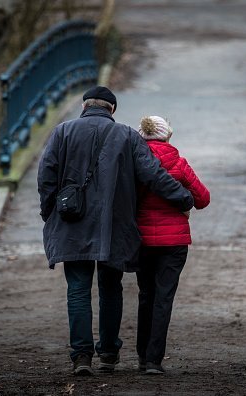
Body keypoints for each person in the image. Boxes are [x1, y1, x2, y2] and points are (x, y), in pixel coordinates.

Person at [37, 87, 195, 376]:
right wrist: (183, 197)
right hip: (114, 226)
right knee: (111, 288)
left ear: (84, 106)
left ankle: (81, 356)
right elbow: (153, 174)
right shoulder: (126, 135)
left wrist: (50, 213)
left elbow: (46, 176)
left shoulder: (62, 132)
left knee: (78, 289)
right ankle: (108, 352)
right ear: (112, 109)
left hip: (72, 222)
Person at [134, 116, 210, 374]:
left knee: (145, 295)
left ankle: (142, 356)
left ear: (141, 138)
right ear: (168, 136)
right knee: (163, 298)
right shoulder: (179, 163)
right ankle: (154, 360)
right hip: (174, 242)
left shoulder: (134, 164)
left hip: (142, 240)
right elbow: (203, 199)